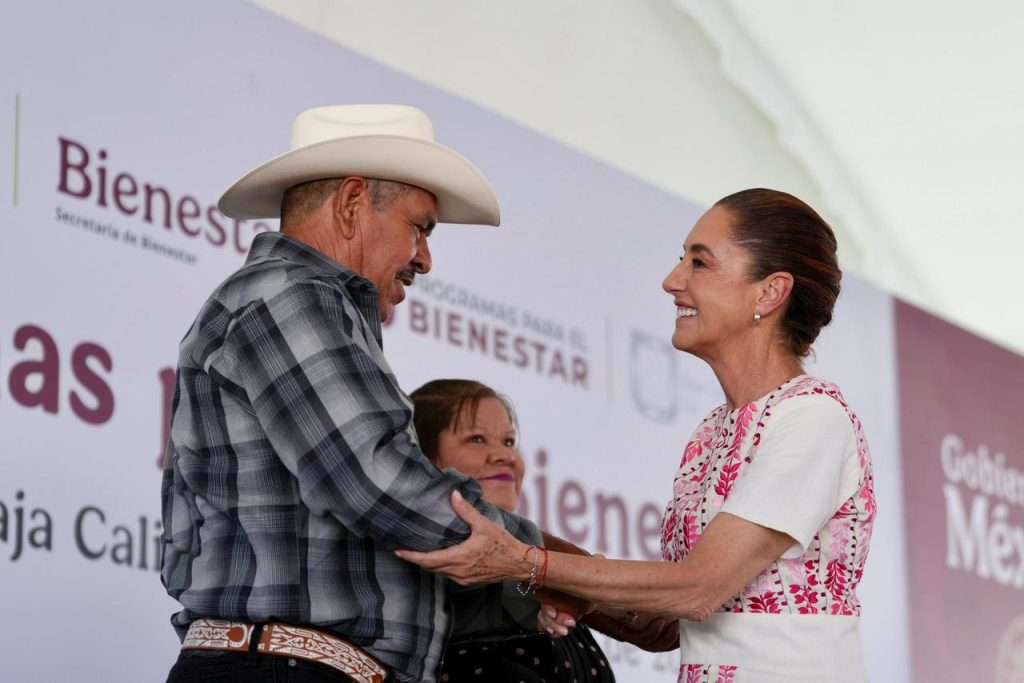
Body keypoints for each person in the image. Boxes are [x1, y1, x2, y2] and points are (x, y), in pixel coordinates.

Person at [397, 189, 877, 683]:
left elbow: (698, 588)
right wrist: (569, 591)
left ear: (770, 292)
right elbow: (665, 624)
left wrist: (525, 563)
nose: (672, 281)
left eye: (699, 263)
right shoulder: (713, 432)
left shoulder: (812, 418)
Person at [159, 105, 543, 683]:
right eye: (420, 228)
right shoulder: (290, 294)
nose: (425, 259)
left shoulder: (300, 302)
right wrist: (550, 567)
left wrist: (540, 576)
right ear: (352, 203)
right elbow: (377, 482)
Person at [409, 379, 680, 682]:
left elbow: (663, 628)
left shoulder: (538, 567)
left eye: (509, 442)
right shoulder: (417, 548)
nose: (504, 455)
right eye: (476, 439)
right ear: (423, 460)